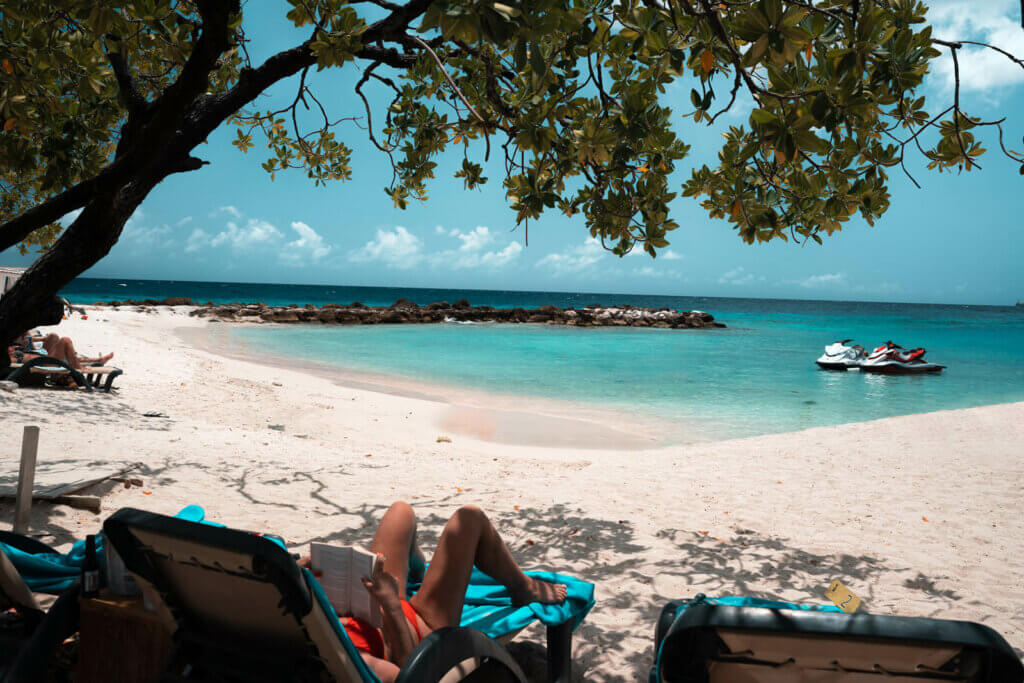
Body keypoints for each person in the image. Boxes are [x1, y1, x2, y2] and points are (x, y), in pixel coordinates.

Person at [301, 502, 567, 682]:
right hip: (418, 623)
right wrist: (392, 605)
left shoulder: (286, 623)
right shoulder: (351, 663)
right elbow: (409, 671)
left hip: (368, 602)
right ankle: (524, 588)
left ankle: (416, 570)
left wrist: (301, 574)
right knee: (469, 519)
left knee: (400, 512)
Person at [15, 331, 113, 369]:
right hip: (45, 363)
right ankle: (78, 367)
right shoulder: (11, 355)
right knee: (65, 340)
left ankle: (97, 360)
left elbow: (29, 341)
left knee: (54, 336)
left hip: (41, 357)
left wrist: (41, 339)